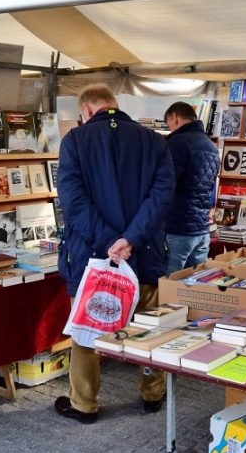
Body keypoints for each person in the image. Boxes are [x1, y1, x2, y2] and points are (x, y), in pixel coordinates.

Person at [54, 84, 175, 424]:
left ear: (86, 111)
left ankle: (85, 404)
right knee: (150, 328)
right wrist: (131, 239)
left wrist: (110, 242)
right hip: (145, 252)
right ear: (114, 105)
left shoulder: (74, 142)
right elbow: (161, 197)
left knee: (87, 332)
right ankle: (153, 394)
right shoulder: (155, 141)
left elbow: (74, 203)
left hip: (92, 256)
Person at [163, 101, 220, 274]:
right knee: (195, 286)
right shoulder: (212, 146)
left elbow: (166, 184)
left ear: (175, 117)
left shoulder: (178, 142)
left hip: (178, 227)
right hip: (202, 229)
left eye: (169, 125)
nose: (170, 130)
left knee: (171, 287)